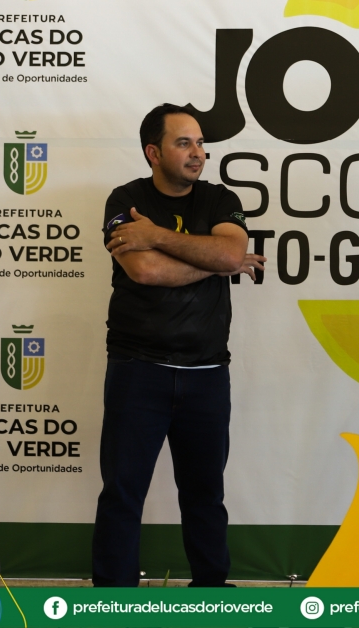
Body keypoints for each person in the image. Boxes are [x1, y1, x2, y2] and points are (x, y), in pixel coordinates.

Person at [92, 104, 263, 587]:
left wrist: (155, 235)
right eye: (183, 143)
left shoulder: (220, 198)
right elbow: (145, 270)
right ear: (153, 152)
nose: (197, 153)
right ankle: (112, 604)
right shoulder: (125, 199)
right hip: (137, 369)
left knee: (205, 495)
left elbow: (230, 251)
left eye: (200, 143)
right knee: (123, 492)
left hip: (206, 373)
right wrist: (218, 262)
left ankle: (211, 594)